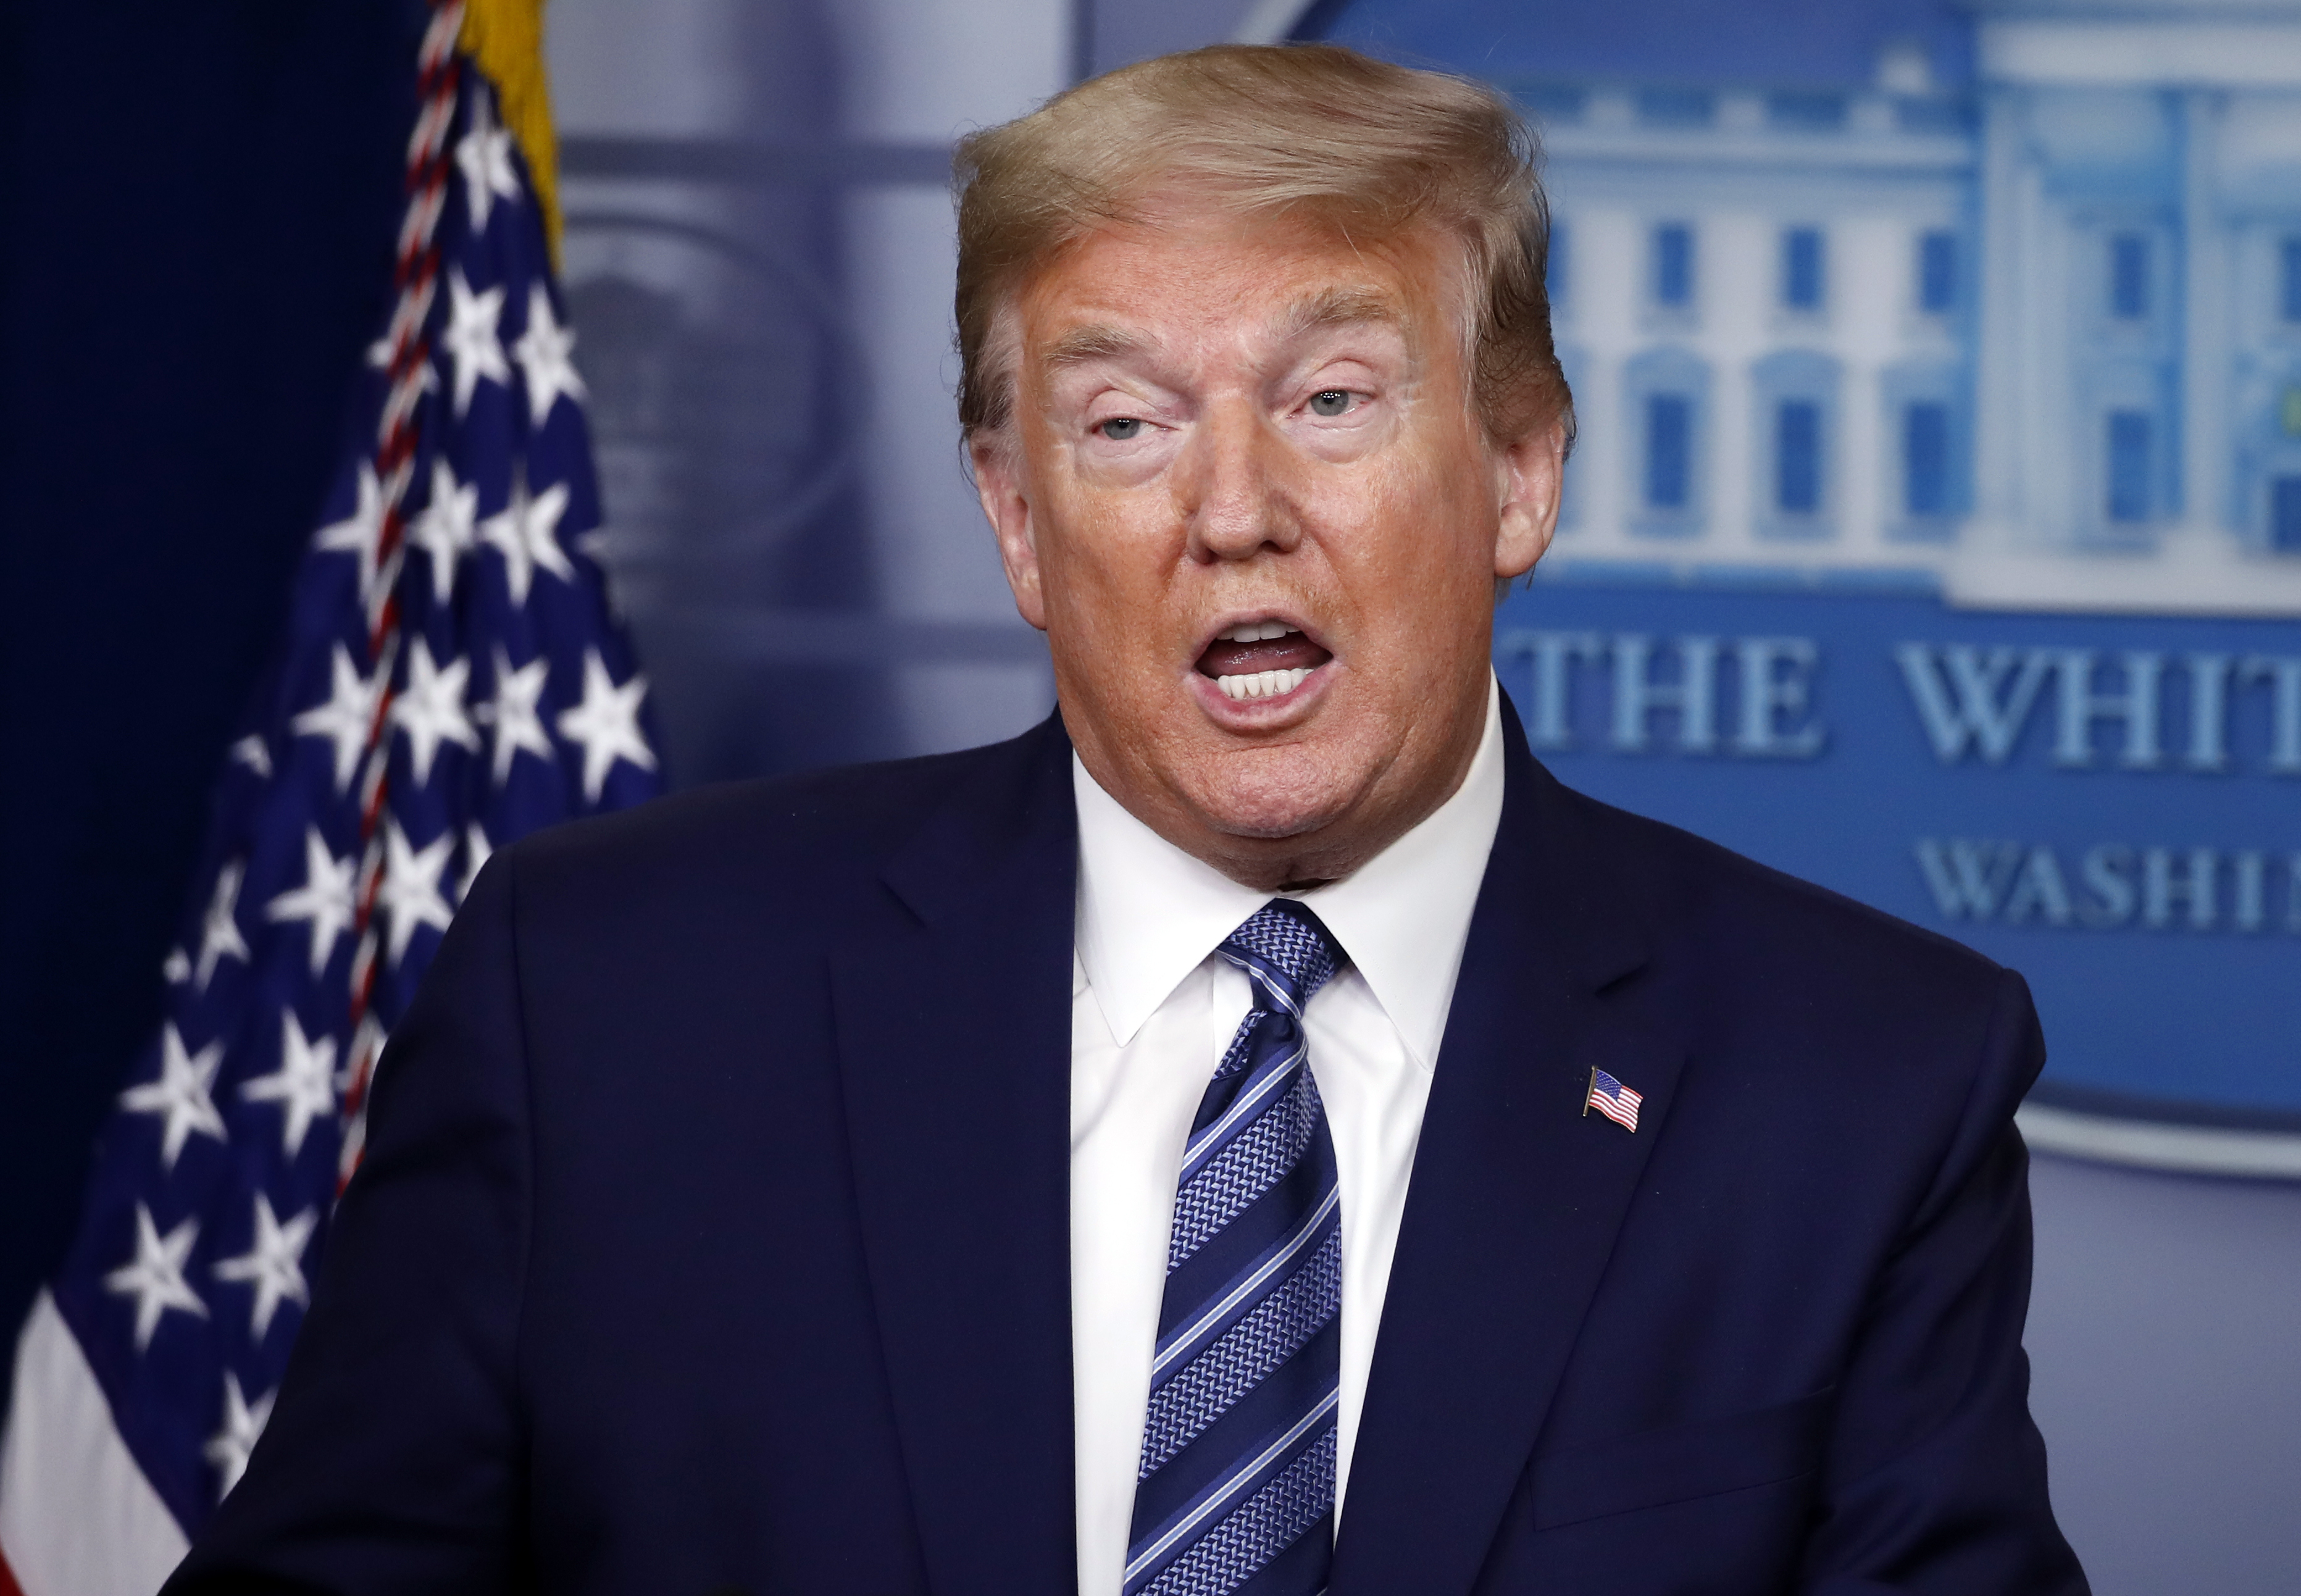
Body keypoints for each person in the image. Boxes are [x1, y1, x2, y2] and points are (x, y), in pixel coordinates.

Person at [170, 43, 2088, 1596]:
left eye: (1331, 398)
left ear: (1518, 473)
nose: (1230, 507)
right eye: (1121, 424)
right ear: (1015, 521)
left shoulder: (1851, 1076)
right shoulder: (607, 999)